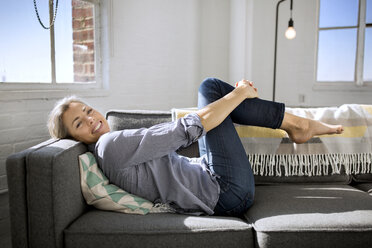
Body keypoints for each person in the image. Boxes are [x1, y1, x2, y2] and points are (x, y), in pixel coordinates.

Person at [47, 78, 343, 216]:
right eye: (78, 123)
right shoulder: (109, 146)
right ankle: (297, 125)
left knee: (219, 97)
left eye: (87, 110)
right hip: (225, 190)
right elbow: (184, 130)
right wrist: (239, 93)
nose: (90, 119)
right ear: (74, 139)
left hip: (213, 182)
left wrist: (234, 99)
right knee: (211, 88)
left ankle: (295, 125)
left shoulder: (107, 150)